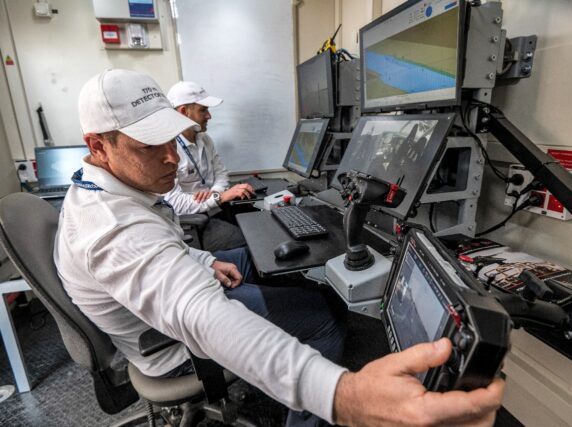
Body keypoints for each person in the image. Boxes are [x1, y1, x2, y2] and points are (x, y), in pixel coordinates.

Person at [56, 69, 504, 426]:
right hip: (168, 347)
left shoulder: (110, 191)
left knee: (255, 259)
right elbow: (201, 315)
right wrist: (343, 396)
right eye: (148, 146)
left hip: (166, 297)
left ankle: (280, 355)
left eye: (169, 139)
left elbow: (161, 246)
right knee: (325, 319)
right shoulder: (111, 228)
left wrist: (204, 258)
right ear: (98, 145)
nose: (170, 157)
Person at [164, 80, 252, 252]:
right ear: (183, 112)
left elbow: (221, 174)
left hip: (213, 208)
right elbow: (174, 204)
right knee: (248, 243)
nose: (209, 116)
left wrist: (214, 194)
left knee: (255, 222)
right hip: (193, 222)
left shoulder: (204, 139)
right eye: (203, 110)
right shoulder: (167, 149)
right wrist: (220, 197)